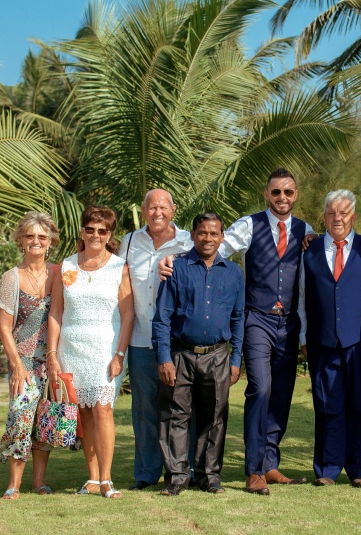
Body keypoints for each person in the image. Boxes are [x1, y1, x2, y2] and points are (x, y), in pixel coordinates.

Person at [163, 167, 314, 494]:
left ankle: (270, 464)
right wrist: (176, 260)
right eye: (276, 191)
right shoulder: (249, 224)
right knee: (260, 389)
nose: (282, 197)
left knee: (282, 394)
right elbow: (214, 246)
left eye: (288, 192)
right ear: (267, 193)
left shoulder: (306, 230)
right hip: (257, 318)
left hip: (289, 322)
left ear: (296, 195)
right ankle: (254, 469)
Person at [152, 212, 244, 496]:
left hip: (218, 356)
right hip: (181, 354)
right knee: (175, 417)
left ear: (222, 237)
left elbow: (238, 318)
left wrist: (236, 359)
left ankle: (209, 476)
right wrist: (164, 358)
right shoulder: (176, 268)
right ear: (192, 234)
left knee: (214, 417)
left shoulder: (233, 272)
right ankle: (177, 477)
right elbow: (162, 317)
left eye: (214, 233)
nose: (208, 238)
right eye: (202, 232)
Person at [47, 205, 135, 498]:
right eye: (90, 229)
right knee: (83, 412)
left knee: (102, 408)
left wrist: (119, 354)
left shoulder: (119, 267)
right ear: (82, 232)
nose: (95, 235)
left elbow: (128, 314)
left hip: (106, 348)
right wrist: (52, 354)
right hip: (71, 348)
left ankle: (107, 479)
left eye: (102, 230)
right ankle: (92, 478)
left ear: (109, 235)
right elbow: (56, 313)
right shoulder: (66, 266)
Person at [297, 190, 361, 489]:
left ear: (353, 217)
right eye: (331, 213)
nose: (337, 218)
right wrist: (304, 336)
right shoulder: (310, 250)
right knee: (327, 405)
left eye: (343, 213)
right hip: (322, 342)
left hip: (360, 342)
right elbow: (302, 296)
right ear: (324, 217)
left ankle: (360, 470)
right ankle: (327, 469)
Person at [116, 189, 192, 491]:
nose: (157, 212)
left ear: (173, 210)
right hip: (140, 340)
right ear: (143, 210)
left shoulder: (188, 242)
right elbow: (117, 283)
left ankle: (183, 470)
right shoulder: (129, 242)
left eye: (163, 207)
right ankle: (147, 473)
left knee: (181, 408)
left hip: (177, 341)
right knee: (144, 409)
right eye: (151, 207)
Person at [0, 211, 60, 499]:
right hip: (23, 362)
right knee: (20, 420)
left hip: (52, 362)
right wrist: (17, 366)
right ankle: (14, 484)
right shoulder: (11, 277)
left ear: (51, 241)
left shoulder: (59, 273)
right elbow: (4, 327)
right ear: (20, 240)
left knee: (45, 423)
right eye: (30, 236)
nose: (36, 241)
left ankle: (39, 483)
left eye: (42, 237)